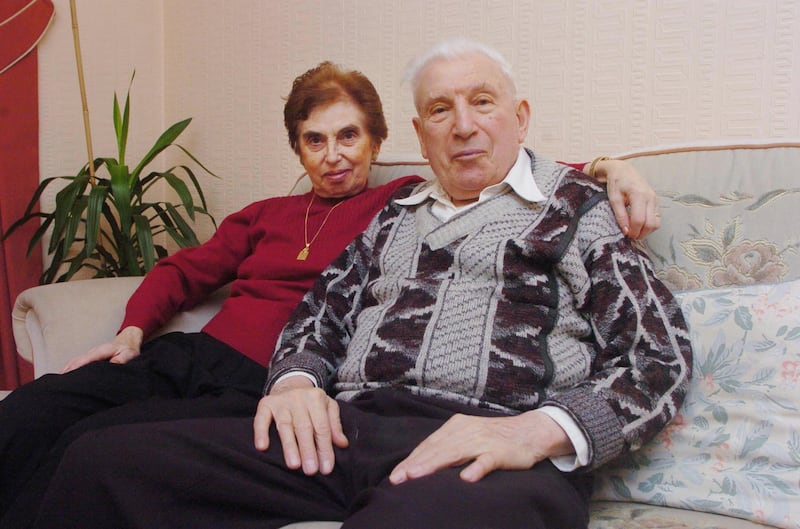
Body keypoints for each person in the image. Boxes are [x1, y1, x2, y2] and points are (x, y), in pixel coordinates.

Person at [27, 39, 692, 529]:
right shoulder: (393, 217)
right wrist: (295, 383)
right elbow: (316, 319)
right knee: (101, 462)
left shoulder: (577, 207)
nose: (462, 124)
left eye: (481, 103)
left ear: (519, 117)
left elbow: (659, 353)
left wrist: (538, 431)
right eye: (440, 109)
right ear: (418, 134)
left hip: (492, 447)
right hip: (343, 431)